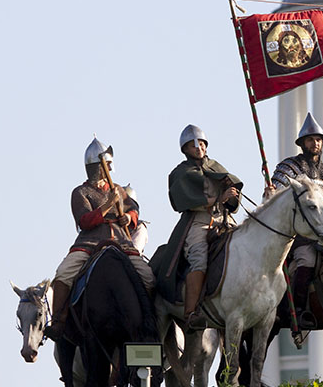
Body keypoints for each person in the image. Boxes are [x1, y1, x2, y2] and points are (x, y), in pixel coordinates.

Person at [44, 137, 156, 341]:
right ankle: (59, 321)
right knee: (63, 274)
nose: (110, 170)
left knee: (148, 277)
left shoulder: (119, 190)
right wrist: (107, 206)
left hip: (121, 243)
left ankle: (151, 323)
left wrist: (128, 217)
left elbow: (134, 210)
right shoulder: (80, 192)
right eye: (107, 165)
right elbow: (85, 220)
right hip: (90, 243)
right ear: (97, 166)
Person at [267, 113, 323, 330]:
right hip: (300, 232)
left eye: (319, 139)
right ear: (303, 143)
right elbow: (275, 201)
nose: (316, 143)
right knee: (307, 261)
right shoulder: (289, 168)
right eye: (311, 139)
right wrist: (270, 193)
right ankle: (299, 311)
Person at [166, 125, 243, 330]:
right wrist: (219, 197)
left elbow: (231, 200)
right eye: (193, 144)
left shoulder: (217, 167)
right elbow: (185, 199)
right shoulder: (181, 172)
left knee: (246, 246)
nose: (198, 147)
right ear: (185, 149)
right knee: (199, 258)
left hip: (224, 219)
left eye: (201, 143)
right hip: (199, 221)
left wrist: (232, 193)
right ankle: (191, 313)